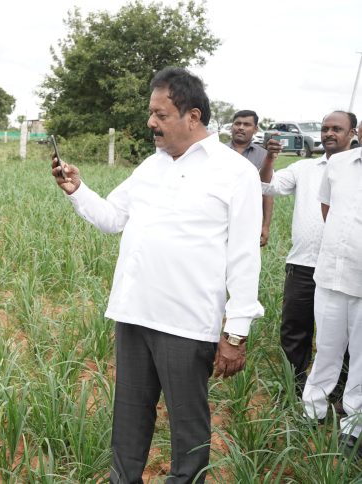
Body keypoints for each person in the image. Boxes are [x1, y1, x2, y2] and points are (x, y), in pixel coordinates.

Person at [52, 67, 263, 482]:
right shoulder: (152, 166)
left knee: (189, 430)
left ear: (193, 116)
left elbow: (243, 256)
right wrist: (78, 189)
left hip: (186, 322)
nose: (151, 122)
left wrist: (236, 332)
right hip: (133, 313)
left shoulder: (235, 173)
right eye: (151, 113)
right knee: (128, 420)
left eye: (161, 114)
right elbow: (113, 218)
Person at [260, 111, 356, 399]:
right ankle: (294, 389)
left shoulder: (356, 170)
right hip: (302, 264)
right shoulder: (305, 168)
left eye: (336, 129)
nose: (329, 133)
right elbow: (268, 185)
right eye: (325, 128)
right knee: (295, 329)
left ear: (352, 133)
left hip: (344, 269)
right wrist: (270, 158)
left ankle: (338, 394)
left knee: (345, 337)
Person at [302, 142, 362, 456]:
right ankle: (313, 411)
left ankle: (353, 426)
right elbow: (328, 209)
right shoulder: (338, 164)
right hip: (331, 276)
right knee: (326, 349)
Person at [227, 109, 278, 246]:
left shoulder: (264, 156)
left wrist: (265, 226)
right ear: (232, 126)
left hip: (249, 220)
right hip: (221, 218)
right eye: (237, 123)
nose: (241, 128)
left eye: (247, 124)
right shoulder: (217, 152)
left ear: (255, 129)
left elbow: (267, 193)